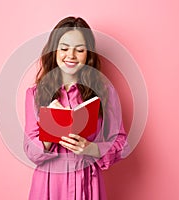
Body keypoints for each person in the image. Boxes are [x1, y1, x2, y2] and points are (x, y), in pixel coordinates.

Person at [24, 16, 127, 200]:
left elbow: (120, 143)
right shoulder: (35, 94)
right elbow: (31, 151)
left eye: (79, 50)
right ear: (54, 51)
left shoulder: (106, 93)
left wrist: (91, 149)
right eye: (64, 48)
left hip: (87, 183)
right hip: (49, 185)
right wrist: (51, 126)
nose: (70, 56)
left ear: (88, 54)